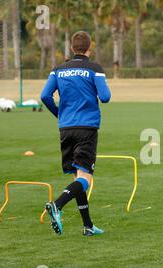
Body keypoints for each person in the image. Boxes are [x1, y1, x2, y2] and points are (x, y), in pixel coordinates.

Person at [40, 31, 111, 236]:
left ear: (72, 48)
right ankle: (57, 205)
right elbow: (105, 97)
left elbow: (45, 96)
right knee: (86, 179)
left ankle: (88, 226)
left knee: (77, 177)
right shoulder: (94, 69)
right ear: (90, 48)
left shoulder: (58, 69)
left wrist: (60, 114)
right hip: (86, 128)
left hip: (66, 128)